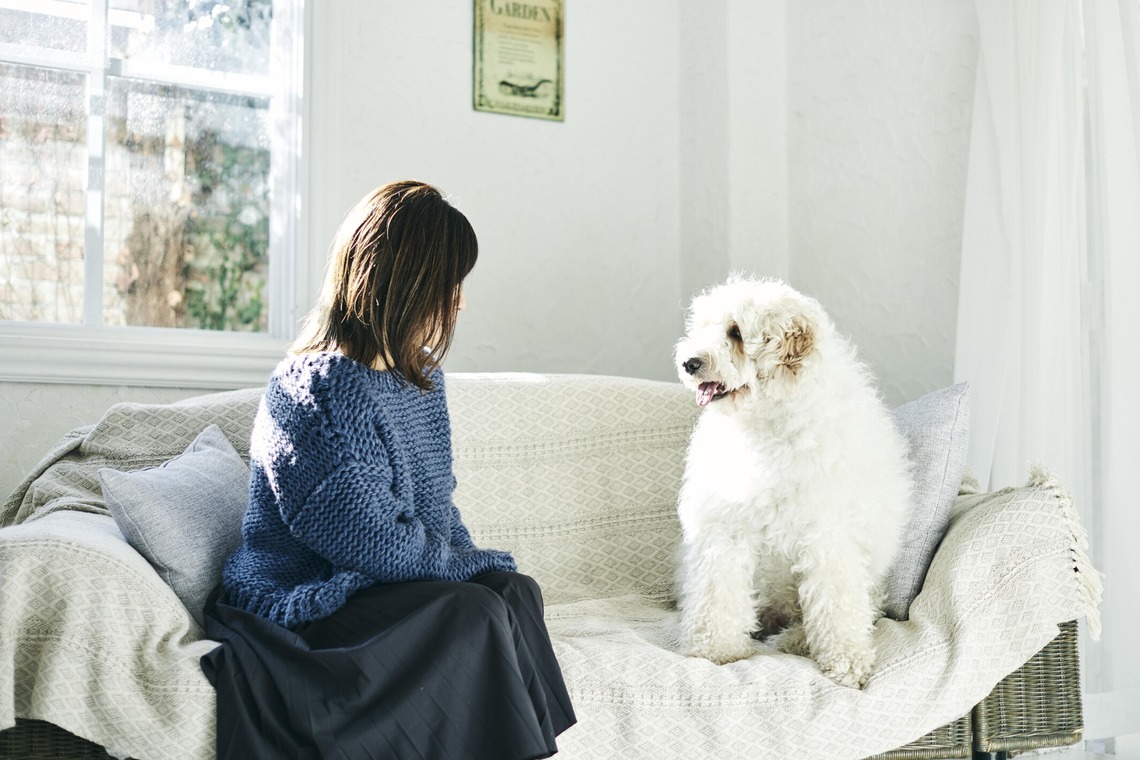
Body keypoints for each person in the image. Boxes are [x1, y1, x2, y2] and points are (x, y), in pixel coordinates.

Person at [200, 180, 576, 760]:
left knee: (513, 591)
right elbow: (367, 540)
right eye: (450, 284)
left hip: (379, 588)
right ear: (404, 282)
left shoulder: (420, 382)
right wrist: (464, 567)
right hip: (313, 594)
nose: (460, 302)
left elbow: (435, 508)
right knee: (472, 609)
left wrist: (474, 564)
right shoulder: (317, 387)